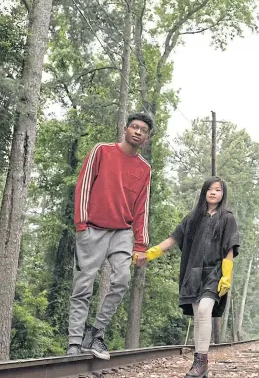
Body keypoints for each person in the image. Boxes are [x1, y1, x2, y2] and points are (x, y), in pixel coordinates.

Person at [66, 113, 153, 359]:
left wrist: (141, 245)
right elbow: (83, 185)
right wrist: (81, 225)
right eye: (134, 127)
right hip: (92, 228)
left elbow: (142, 208)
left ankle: (95, 334)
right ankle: (74, 341)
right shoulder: (101, 151)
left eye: (143, 130)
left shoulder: (144, 168)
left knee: (122, 280)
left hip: (122, 233)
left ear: (146, 138)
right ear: (125, 129)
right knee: (82, 287)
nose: (137, 132)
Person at [143, 176, 240, 378]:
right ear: (204, 192)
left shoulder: (227, 218)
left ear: (223, 194)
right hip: (193, 273)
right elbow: (172, 239)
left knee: (205, 309)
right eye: (210, 189)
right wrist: (150, 253)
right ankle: (200, 364)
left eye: (218, 190)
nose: (214, 192)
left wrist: (227, 276)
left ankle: (201, 361)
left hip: (215, 273)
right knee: (199, 318)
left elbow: (229, 247)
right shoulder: (193, 218)